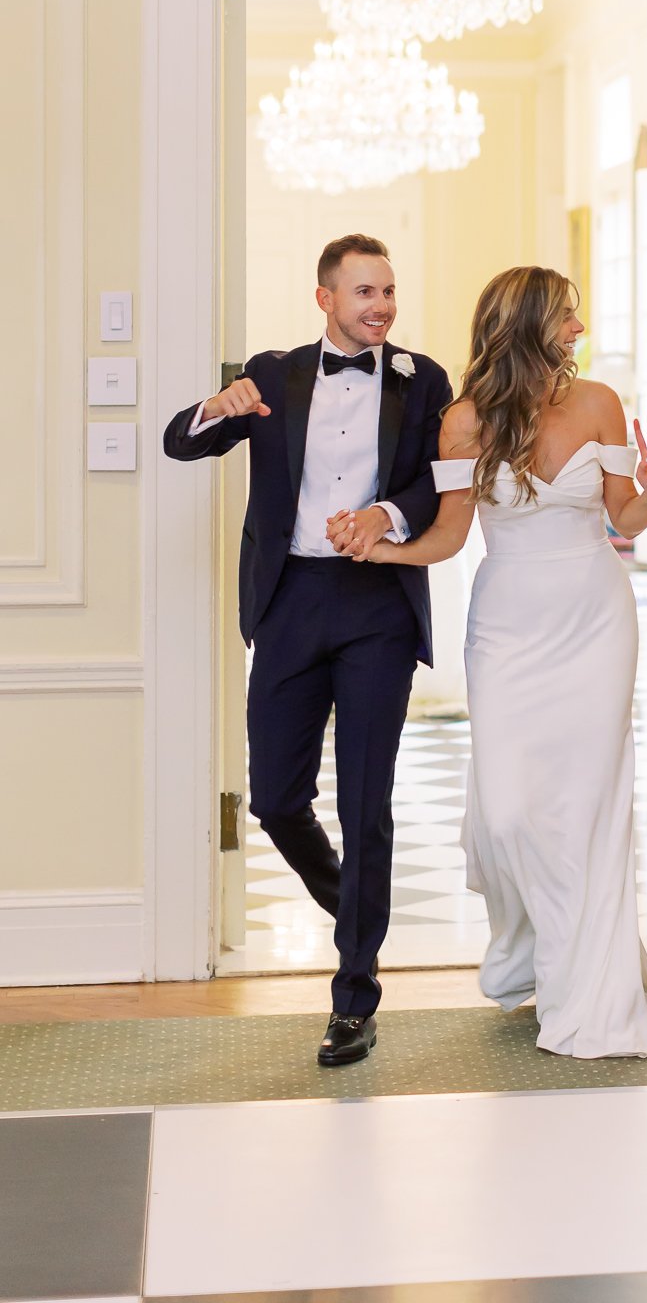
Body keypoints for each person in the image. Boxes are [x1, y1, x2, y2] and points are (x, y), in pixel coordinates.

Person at [330, 265, 647, 1058]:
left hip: (595, 614)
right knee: (509, 811)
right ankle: (542, 954)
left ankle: (584, 983)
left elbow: (624, 514)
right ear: (527, 322)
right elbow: (452, 537)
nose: (579, 332)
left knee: (589, 802)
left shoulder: (598, 402)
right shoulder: (464, 420)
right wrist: (381, 551)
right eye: (567, 318)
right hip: (508, 625)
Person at [163, 234, 451, 1065]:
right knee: (276, 800)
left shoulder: (422, 378)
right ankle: (358, 913)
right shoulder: (275, 373)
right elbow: (183, 446)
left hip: (376, 606)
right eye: (364, 292)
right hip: (289, 601)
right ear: (324, 297)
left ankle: (353, 995)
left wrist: (388, 517)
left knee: (366, 803)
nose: (381, 307)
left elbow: (442, 474)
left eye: (388, 291)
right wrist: (218, 405)